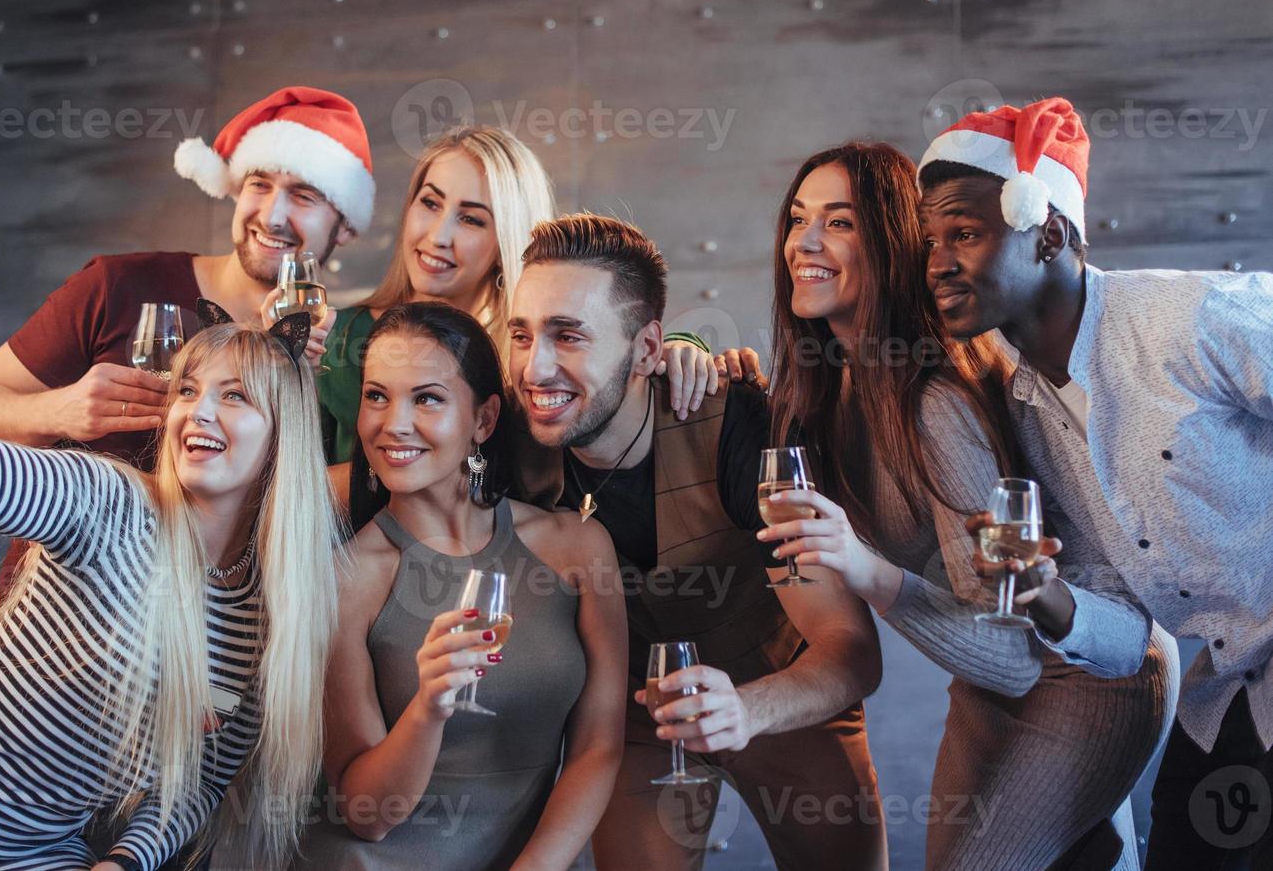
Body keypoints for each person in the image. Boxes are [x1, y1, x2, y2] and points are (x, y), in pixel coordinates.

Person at [0, 209, 342, 870]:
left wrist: (125, 861)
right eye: (188, 389)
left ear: (283, 438)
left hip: (33, 852)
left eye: (236, 397)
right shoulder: (105, 503)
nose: (199, 410)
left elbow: (197, 779)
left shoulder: (265, 610)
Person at [755, 141, 1176, 869]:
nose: (807, 242)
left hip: (1085, 675)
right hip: (987, 683)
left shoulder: (934, 403)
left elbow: (1016, 655)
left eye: (840, 222)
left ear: (891, 244)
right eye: (799, 218)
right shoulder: (832, 393)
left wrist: (865, 571)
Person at [916, 96, 1273, 869]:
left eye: (966, 233)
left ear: (1048, 233)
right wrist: (1046, 591)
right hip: (1224, 699)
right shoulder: (1029, 416)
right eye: (932, 240)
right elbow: (1121, 628)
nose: (938, 260)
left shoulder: (1189, 319)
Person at [505, 214, 888, 871]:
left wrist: (745, 708)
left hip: (781, 694)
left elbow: (851, 653)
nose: (534, 367)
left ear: (650, 350)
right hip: (638, 718)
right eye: (521, 333)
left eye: (568, 335)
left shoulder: (738, 423)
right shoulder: (511, 441)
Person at [0, 85, 372, 605]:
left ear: (347, 227)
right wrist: (61, 410)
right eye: (259, 184)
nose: (273, 215)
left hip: (225, 638)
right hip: (66, 625)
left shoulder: (347, 350)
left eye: (305, 196)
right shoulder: (118, 284)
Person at [296, 302, 625, 868]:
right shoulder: (344, 578)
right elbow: (367, 816)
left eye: (426, 398)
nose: (392, 424)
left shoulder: (578, 548)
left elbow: (599, 746)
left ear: (484, 420)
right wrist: (429, 705)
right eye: (377, 396)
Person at [321, 125, 721, 469]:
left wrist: (684, 350)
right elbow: (286, 490)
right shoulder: (335, 339)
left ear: (506, 240)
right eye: (430, 203)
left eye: (471, 219)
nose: (437, 236)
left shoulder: (527, 361)